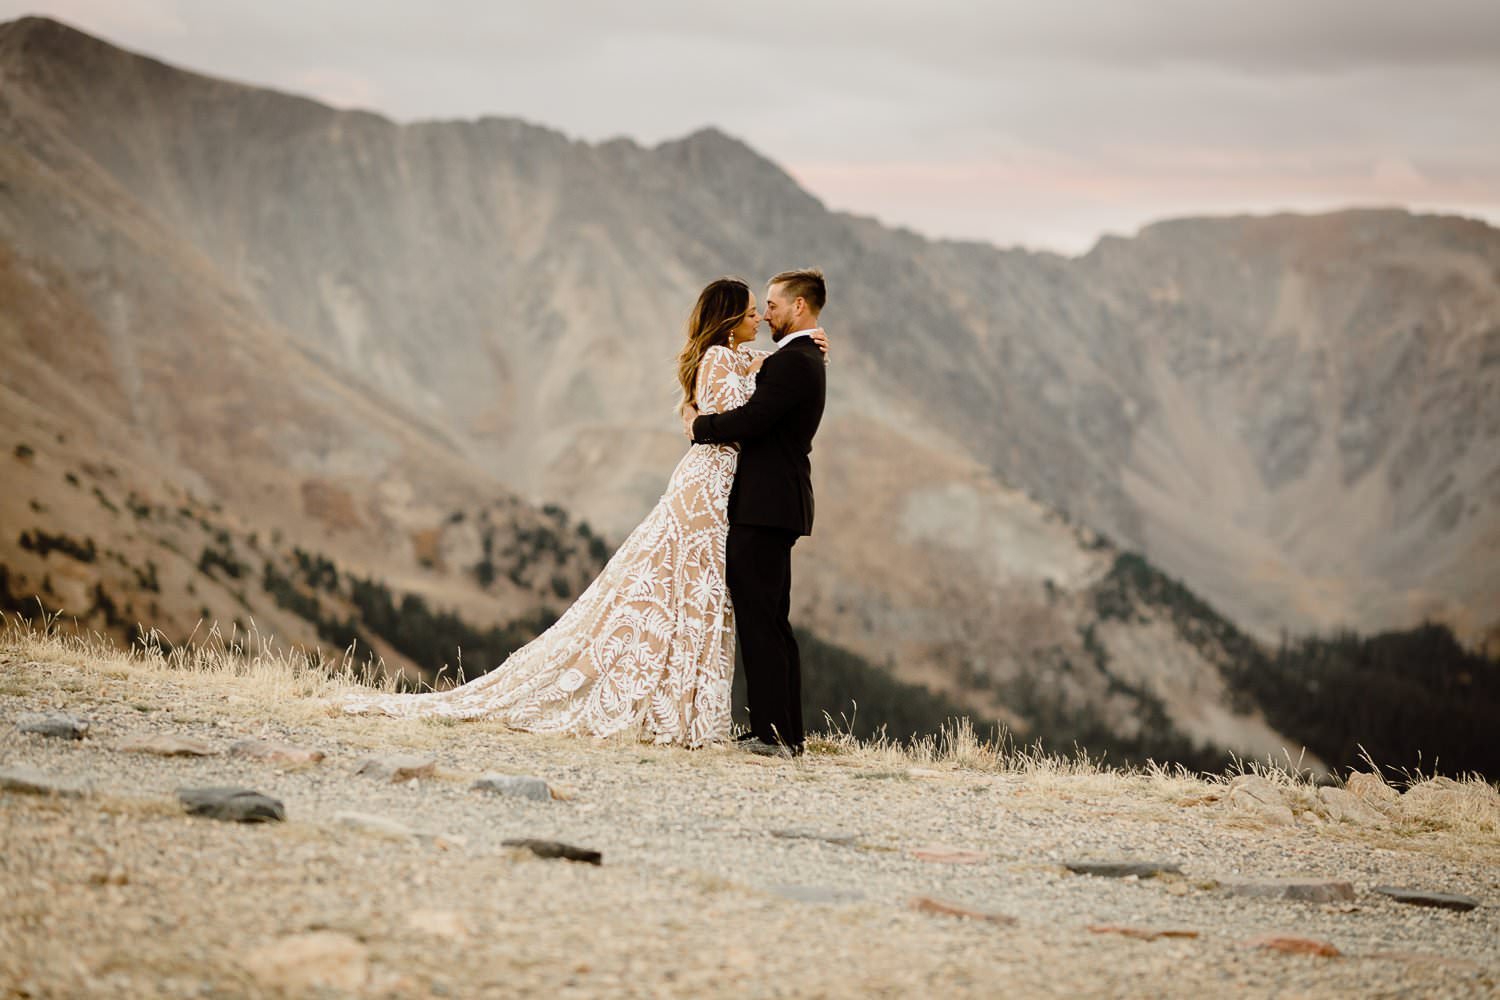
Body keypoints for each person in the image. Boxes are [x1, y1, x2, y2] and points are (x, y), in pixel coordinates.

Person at [338, 277, 826, 749]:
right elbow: (750, 413)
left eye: (766, 309)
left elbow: (764, 388)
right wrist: (706, 422)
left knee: (707, 598)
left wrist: (804, 343)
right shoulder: (723, 357)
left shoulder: (755, 358)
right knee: (687, 592)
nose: (761, 318)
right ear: (728, 320)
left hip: (732, 491)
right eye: (751, 312)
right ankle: (708, 712)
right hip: (709, 488)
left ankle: (746, 722)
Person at [682, 268, 827, 757]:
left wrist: (699, 427)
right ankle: (786, 733)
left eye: (772, 305)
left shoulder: (795, 362)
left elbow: (754, 420)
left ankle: (773, 735)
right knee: (772, 620)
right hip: (775, 504)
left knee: (761, 619)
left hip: (766, 506)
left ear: (799, 306)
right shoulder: (802, 357)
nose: (765, 315)